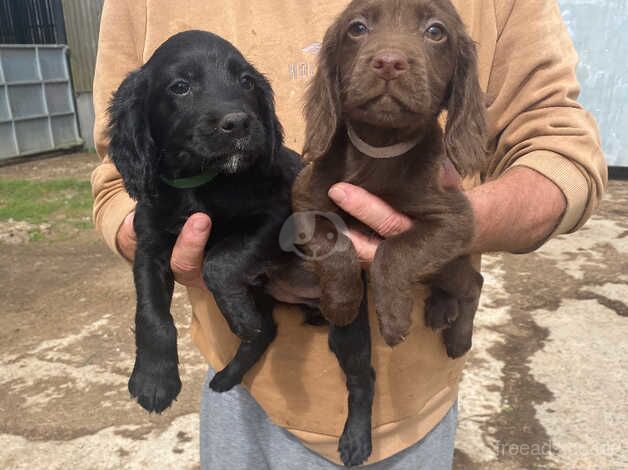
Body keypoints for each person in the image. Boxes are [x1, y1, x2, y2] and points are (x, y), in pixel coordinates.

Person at [91, 0, 607, 468]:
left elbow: (559, 145)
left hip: (410, 402)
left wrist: (428, 234)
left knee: (351, 330)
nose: (389, 58)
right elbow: (119, 178)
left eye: (431, 32)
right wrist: (189, 258)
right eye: (360, 30)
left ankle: (369, 393)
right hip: (249, 385)